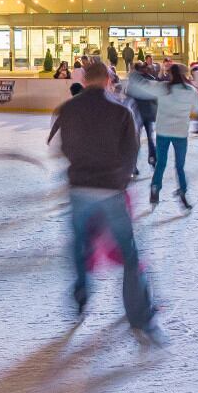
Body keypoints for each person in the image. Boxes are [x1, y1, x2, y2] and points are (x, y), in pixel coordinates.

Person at [47, 61, 159, 341]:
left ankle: (81, 296)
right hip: (110, 190)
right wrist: (117, 179)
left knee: (80, 245)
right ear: (109, 81)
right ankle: (139, 316)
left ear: (84, 80)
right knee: (129, 253)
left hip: (80, 188)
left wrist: (81, 168)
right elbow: (131, 152)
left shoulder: (67, 108)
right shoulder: (121, 111)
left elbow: (62, 146)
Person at [126, 62, 197, 212]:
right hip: (180, 133)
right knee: (179, 166)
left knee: (161, 164)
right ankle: (182, 192)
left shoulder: (164, 88)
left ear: (170, 74)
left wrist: (133, 75)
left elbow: (144, 86)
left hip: (163, 132)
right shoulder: (190, 90)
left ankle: (155, 187)